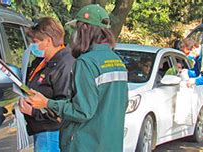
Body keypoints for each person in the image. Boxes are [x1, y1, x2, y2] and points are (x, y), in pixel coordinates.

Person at [24, 4, 128, 152]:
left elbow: (82, 111)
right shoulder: (117, 62)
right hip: (110, 144)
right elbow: (122, 104)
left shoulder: (86, 62)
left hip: (86, 144)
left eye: (76, 29)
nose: (73, 34)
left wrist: (47, 103)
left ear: (85, 29)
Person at [18, 17, 75, 152]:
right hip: (41, 129)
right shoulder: (43, 61)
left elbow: (64, 107)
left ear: (48, 40)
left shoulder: (65, 64)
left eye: (35, 42)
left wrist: (33, 112)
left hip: (52, 131)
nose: (32, 45)